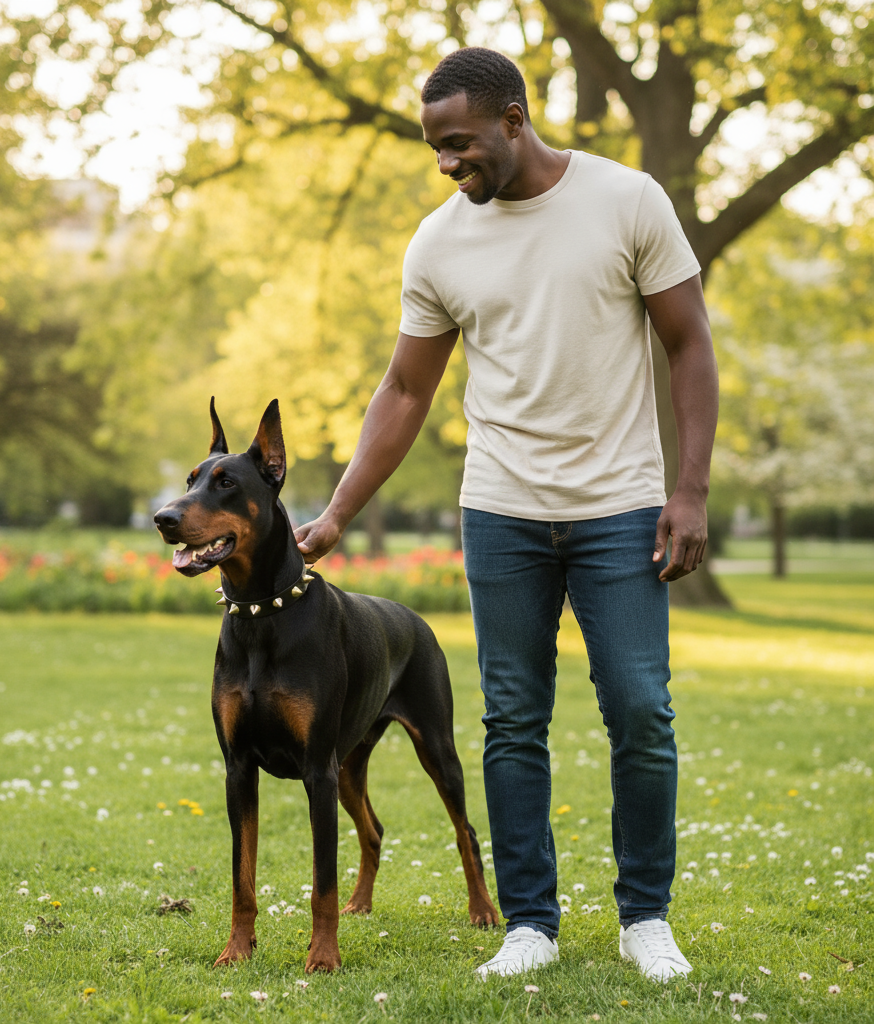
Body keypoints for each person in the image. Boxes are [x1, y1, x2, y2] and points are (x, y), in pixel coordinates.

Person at [293, 46, 718, 983]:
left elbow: (688, 342)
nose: (448, 163)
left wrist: (688, 490)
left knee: (641, 710)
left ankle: (646, 918)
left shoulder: (627, 201)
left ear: (514, 120)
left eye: (460, 143)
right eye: (435, 149)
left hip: (620, 506)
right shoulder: (439, 242)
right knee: (513, 719)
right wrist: (335, 514)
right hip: (502, 510)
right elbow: (406, 390)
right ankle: (531, 923)